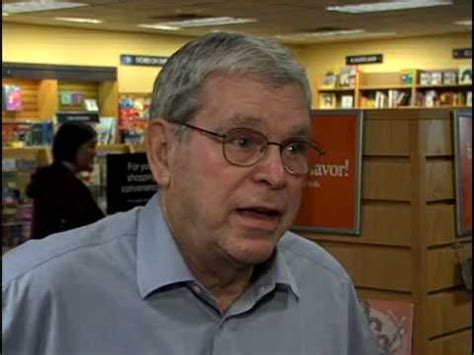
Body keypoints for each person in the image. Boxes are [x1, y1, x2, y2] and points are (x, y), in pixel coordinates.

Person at [2, 32, 378, 354]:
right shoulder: (33, 293)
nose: (277, 175)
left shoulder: (327, 288)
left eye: (295, 147)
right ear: (163, 152)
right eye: (243, 141)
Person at [25, 121, 105, 239]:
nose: (94, 153)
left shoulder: (49, 180)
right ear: (74, 147)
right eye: (91, 146)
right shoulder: (68, 187)